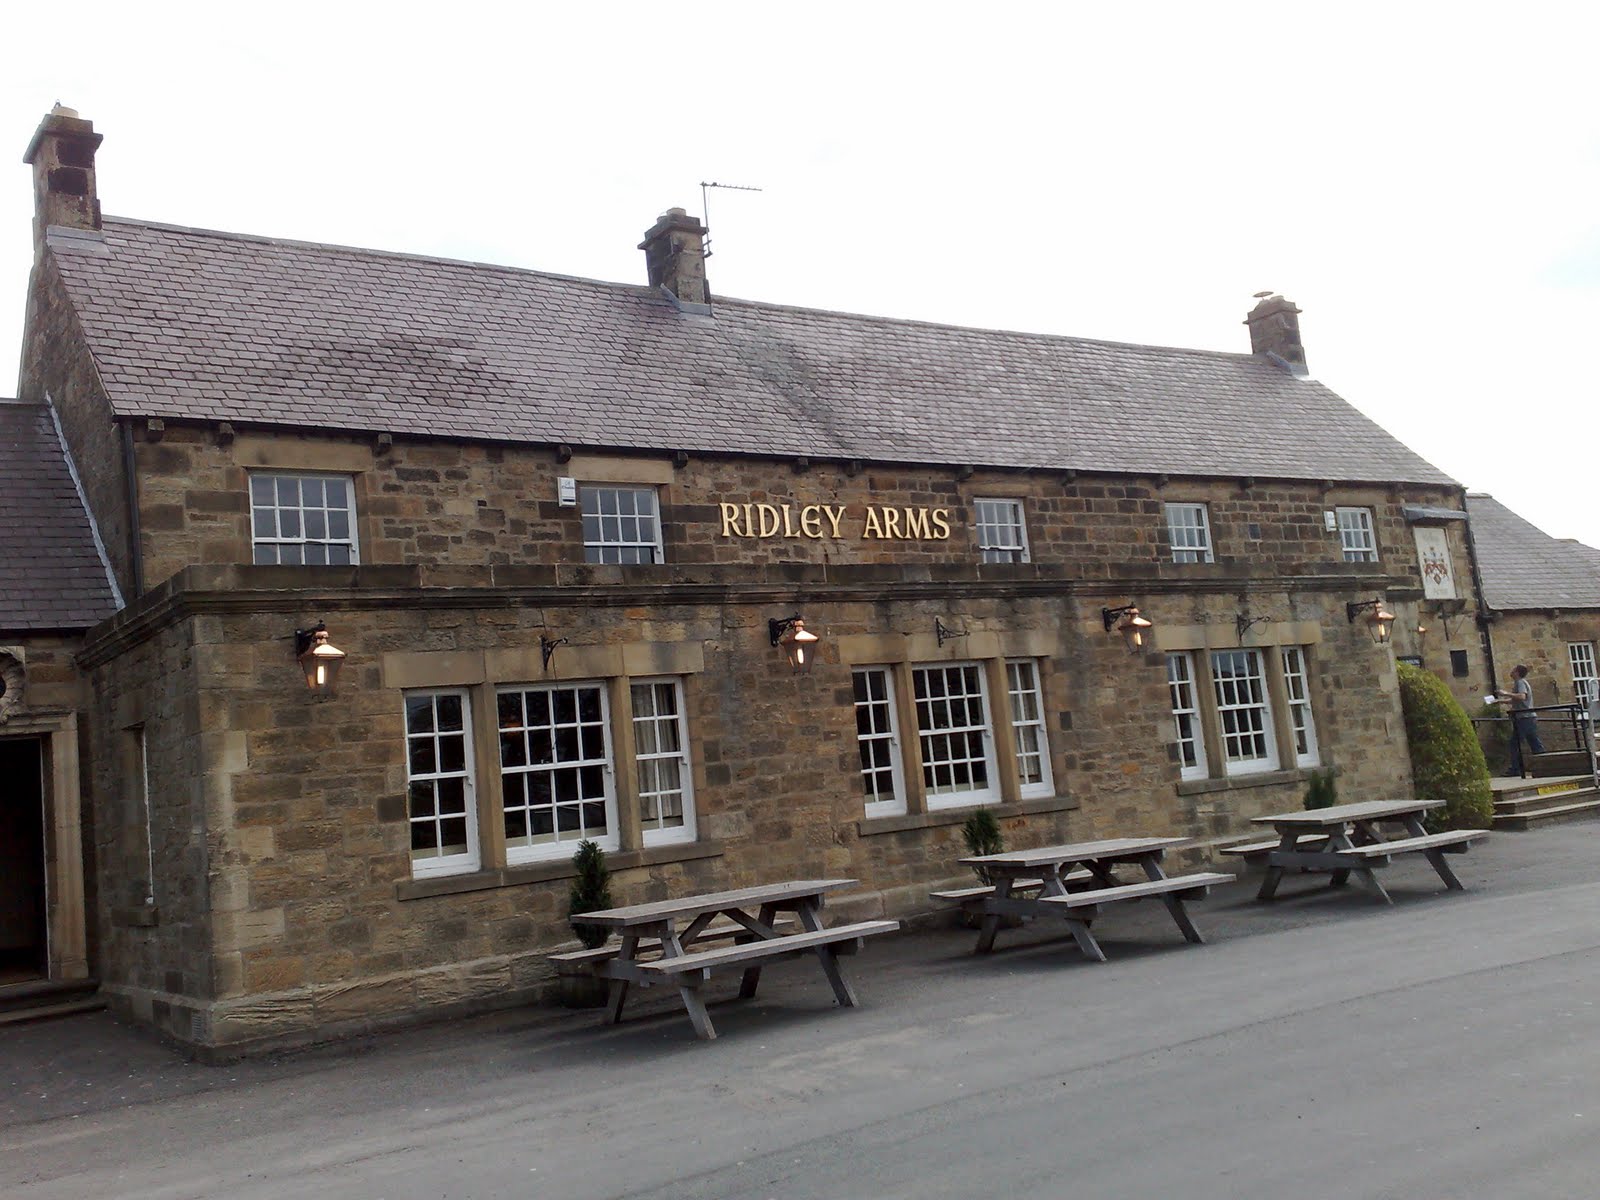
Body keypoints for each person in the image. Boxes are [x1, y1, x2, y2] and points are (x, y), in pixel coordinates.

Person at [1494, 664, 1545, 777]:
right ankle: (1544, 764)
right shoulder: (1520, 683)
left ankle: (1516, 769)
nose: (1511, 672)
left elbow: (1522, 697)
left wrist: (1505, 693)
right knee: (1534, 743)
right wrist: (1501, 701)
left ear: (1517, 672)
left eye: (1513, 670)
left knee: (1515, 743)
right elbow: (1517, 701)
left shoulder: (1520, 682)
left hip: (1524, 718)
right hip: (1528, 717)